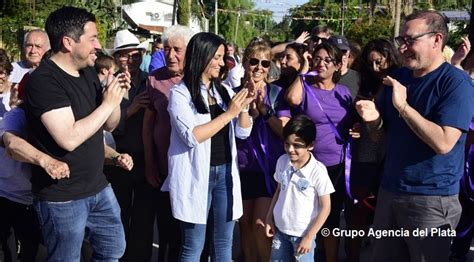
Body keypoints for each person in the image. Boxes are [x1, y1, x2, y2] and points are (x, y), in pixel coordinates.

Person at [355, 10, 474, 262]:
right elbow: (381, 137)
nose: (403, 48)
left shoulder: (456, 83)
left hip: (432, 199)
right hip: (389, 191)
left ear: (436, 39)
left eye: (411, 40)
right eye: (402, 40)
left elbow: (444, 143)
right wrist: (373, 120)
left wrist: (404, 107)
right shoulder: (398, 78)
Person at [24, 6, 130, 261]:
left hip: (98, 186)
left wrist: (113, 99)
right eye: (92, 38)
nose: (98, 45)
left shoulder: (88, 74)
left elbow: (109, 125)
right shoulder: (43, 81)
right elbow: (68, 138)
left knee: (114, 249)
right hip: (62, 197)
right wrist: (106, 105)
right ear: (68, 42)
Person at [162, 32, 254, 261]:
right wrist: (230, 113)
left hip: (225, 174)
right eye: (218, 57)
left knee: (224, 245)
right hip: (196, 177)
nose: (222, 63)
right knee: (193, 247)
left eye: (223, 57)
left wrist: (243, 107)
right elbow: (192, 136)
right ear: (203, 57)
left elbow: (243, 132)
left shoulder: (222, 91)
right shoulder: (180, 94)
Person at [285, 41, 353, 262]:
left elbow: (352, 122)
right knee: (306, 214)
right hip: (309, 165)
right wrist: (304, 70)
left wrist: (358, 128)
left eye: (327, 60)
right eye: (317, 58)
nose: (321, 63)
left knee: (331, 218)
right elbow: (292, 99)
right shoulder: (305, 87)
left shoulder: (344, 92)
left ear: (337, 65)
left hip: (336, 164)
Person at [345, 38, 402, 262]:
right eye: (371, 64)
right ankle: (353, 256)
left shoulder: (401, 81)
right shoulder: (363, 83)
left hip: (391, 158)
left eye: (380, 62)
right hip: (364, 156)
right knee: (356, 214)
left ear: (391, 58)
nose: (377, 68)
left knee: (385, 218)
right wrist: (355, 125)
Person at [235, 37, 291, 262]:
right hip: (241, 168)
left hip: (269, 171)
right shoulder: (232, 92)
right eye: (254, 61)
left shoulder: (277, 94)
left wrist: (264, 110)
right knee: (246, 227)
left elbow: (285, 131)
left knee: (261, 227)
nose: (259, 67)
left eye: (265, 63)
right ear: (245, 62)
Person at [143, 24, 195, 262]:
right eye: (167, 49)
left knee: (190, 237)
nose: (171, 55)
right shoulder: (154, 79)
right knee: (166, 233)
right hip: (164, 169)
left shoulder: (198, 78)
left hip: (193, 171)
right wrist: (150, 163)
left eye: (177, 49)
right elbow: (148, 124)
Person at [105, 28, 152, 261]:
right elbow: (106, 124)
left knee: (143, 218)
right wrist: (132, 109)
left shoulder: (149, 82)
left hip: (144, 157)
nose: (130, 60)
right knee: (119, 214)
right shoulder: (109, 85)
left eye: (135, 55)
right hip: (117, 156)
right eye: (125, 55)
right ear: (116, 58)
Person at [265, 114, 334, 262]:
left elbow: (326, 207)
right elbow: (278, 190)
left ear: (311, 145)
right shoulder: (282, 162)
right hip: (280, 232)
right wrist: (269, 217)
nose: (290, 149)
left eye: (297, 145)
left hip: (303, 235)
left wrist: (309, 236)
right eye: (287, 144)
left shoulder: (318, 171)